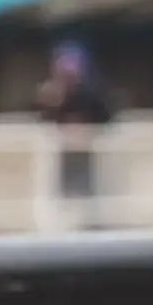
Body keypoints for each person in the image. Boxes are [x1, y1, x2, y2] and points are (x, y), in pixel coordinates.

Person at [34, 40, 113, 226]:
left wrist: (85, 128)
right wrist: (51, 104)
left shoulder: (91, 93)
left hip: (87, 152)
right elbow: (42, 120)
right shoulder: (52, 94)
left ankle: (90, 221)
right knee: (62, 190)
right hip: (62, 152)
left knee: (87, 189)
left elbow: (105, 117)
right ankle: (61, 219)